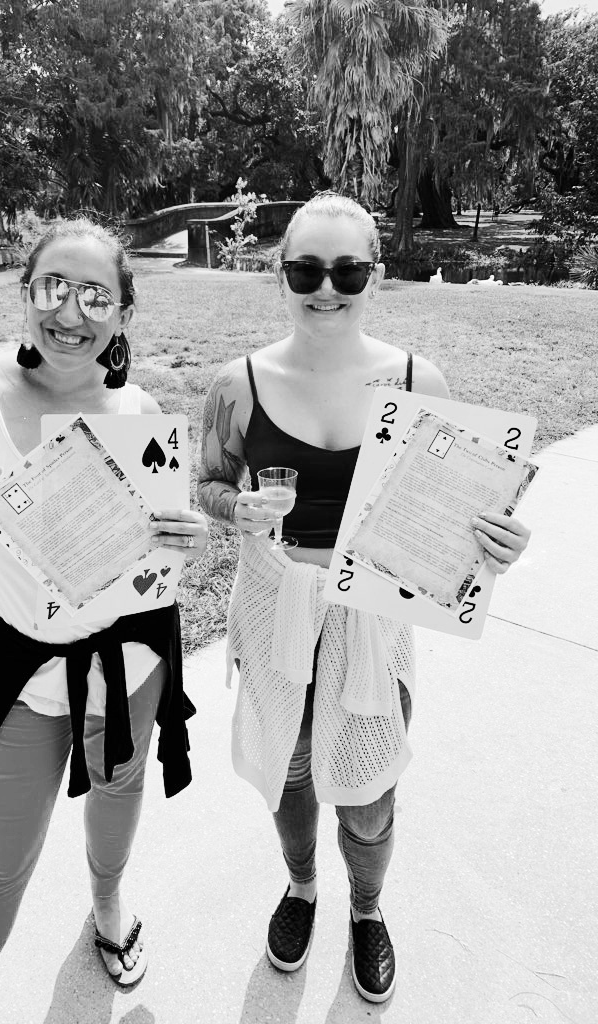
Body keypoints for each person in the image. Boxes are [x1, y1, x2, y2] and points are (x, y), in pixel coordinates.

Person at [197, 192, 530, 1003]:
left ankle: (368, 910)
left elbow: (462, 516)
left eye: (347, 269)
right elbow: (204, 482)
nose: (326, 288)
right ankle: (304, 887)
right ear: (282, 273)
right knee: (290, 774)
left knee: (370, 791)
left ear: (374, 275)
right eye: (307, 268)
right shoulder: (237, 384)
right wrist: (232, 507)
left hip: (372, 618)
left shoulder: (421, 380)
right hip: (274, 605)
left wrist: (499, 548)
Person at [0, 218, 208, 1023]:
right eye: (53, 288)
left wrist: (187, 535)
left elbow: (158, 551)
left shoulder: (138, 408)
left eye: (96, 295)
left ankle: (108, 903)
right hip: (21, 668)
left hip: (130, 658)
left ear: (124, 315)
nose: (71, 312)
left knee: (118, 785)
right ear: (25, 293)